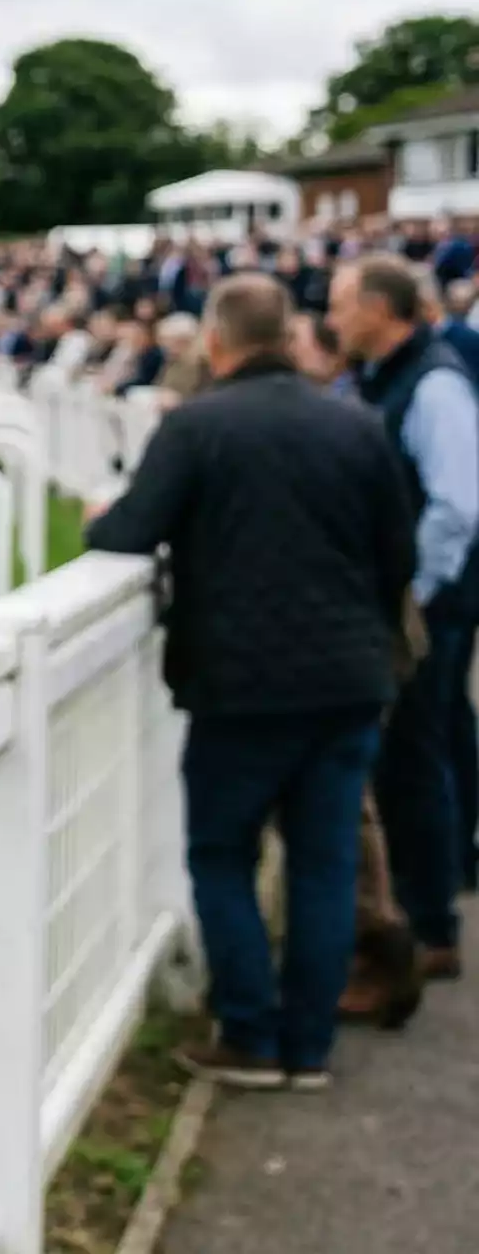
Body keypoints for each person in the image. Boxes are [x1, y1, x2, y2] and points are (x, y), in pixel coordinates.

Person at [84, 274, 415, 1087]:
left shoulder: (198, 425)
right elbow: (397, 556)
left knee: (222, 855)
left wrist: (98, 515)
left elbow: (131, 531)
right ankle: (308, 1045)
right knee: (325, 865)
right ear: (291, 336)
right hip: (347, 680)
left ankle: (250, 1033)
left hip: (241, 688)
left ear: (218, 343)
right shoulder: (358, 422)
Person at [329, 254, 479, 979]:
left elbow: (457, 503)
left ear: (380, 309)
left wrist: (412, 592)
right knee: (416, 756)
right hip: (413, 599)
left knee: (416, 762)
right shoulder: (392, 377)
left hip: (428, 604)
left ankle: (431, 927)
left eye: (341, 306)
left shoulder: (436, 383)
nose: (332, 321)